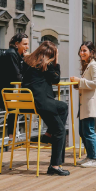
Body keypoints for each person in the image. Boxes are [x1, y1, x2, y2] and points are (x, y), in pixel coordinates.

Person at [21, 40, 70, 176]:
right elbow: (56, 80)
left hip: (28, 104)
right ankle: (54, 165)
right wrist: (57, 61)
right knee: (60, 131)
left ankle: (48, 134)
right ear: (51, 55)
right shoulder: (46, 66)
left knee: (63, 107)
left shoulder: (28, 63)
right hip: (42, 103)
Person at [69, 41, 96, 168]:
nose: (82, 53)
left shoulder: (93, 65)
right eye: (81, 51)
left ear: (91, 52)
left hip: (90, 103)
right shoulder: (88, 65)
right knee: (83, 131)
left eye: (84, 50)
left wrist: (80, 81)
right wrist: (78, 85)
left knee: (88, 130)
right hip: (84, 103)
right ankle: (90, 156)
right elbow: (88, 83)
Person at [0, 32, 29, 142]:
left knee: (13, 109)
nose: (27, 47)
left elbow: (22, 74)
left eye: (27, 44)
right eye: (25, 44)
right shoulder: (11, 54)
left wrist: (26, 60)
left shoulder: (17, 55)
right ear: (17, 44)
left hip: (3, 88)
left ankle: (11, 137)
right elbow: (18, 77)